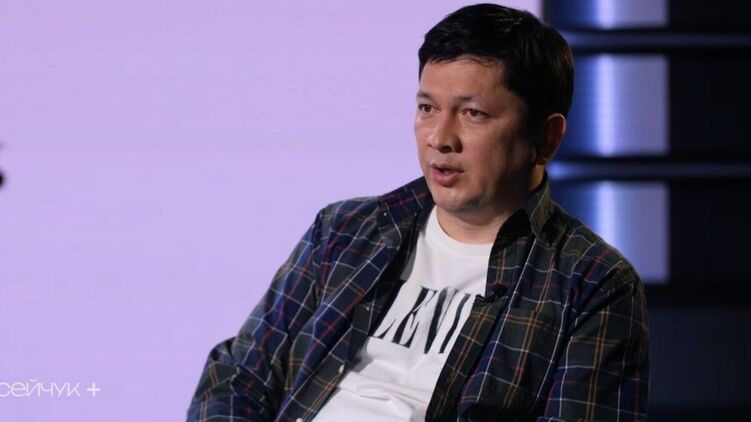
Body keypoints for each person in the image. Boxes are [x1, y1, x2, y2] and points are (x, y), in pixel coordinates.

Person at [187, 3, 649, 421]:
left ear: (546, 138)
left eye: (472, 114)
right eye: (428, 108)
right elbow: (237, 377)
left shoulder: (591, 283)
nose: (439, 138)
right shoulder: (347, 231)